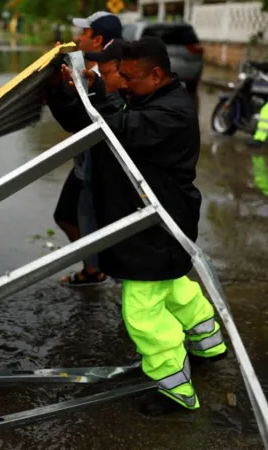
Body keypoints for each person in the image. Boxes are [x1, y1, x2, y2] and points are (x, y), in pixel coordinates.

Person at [47, 37, 228, 414]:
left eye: (129, 77)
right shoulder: (148, 99)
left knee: (142, 314)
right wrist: (70, 91)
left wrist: (98, 91)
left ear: (157, 74)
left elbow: (120, 127)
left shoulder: (172, 113)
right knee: (176, 288)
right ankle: (210, 346)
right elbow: (94, 120)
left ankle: (175, 390)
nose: (123, 83)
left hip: (157, 226)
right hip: (157, 224)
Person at [50, 11, 123, 287]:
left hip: (99, 166)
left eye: (85, 33)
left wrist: (55, 87)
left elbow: (77, 118)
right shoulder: (96, 68)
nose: (79, 38)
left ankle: (102, 268)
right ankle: (95, 268)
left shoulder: (107, 73)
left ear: (99, 39)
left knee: (77, 216)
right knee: (70, 215)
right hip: (88, 164)